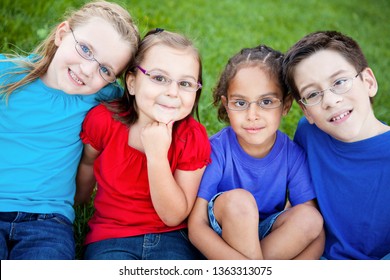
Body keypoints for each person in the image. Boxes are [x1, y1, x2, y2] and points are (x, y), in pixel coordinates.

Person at [0, 1, 140, 260]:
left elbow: (145, 102)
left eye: (105, 69)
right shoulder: (5, 75)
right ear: (62, 34)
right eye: (85, 49)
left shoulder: (103, 98)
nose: (87, 70)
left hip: (47, 221)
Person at [75, 28, 211, 260]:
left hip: (172, 238)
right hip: (110, 237)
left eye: (186, 84)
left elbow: (173, 216)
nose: (172, 92)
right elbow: (87, 164)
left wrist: (157, 155)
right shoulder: (103, 122)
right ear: (132, 83)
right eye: (159, 78)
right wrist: (76, 204)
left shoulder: (192, 137)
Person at [188, 45, 325, 260]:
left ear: (286, 105)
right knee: (240, 203)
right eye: (241, 103)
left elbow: (314, 230)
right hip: (222, 239)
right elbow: (197, 227)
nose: (252, 115)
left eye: (266, 102)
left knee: (311, 218)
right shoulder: (216, 149)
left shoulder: (292, 155)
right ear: (227, 104)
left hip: (266, 237)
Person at [282, 31, 390, 260]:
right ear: (306, 111)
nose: (330, 101)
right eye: (313, 94)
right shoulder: (309, 133)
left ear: (368, 82)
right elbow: (298, 205)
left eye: (340, 82)